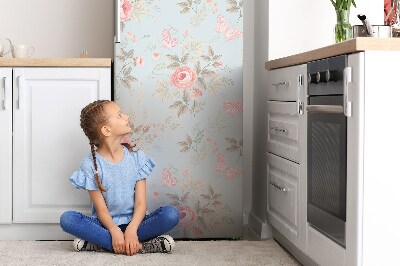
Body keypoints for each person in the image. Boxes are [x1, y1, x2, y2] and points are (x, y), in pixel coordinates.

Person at [60, 100, 180, 256]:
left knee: (171, 214)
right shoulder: (90, 165)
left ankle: (104, 244)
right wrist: (114, 230)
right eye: (119, 115)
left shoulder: (137, 157)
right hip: (106, 225)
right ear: (106, 130)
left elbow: (141, 203)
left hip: (137, 223)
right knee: (67, 219)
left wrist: (132, 229)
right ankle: (141, 246)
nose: (126, 116)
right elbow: (102, 210)